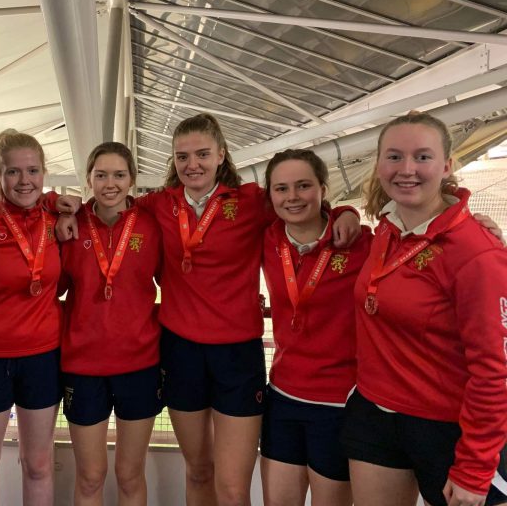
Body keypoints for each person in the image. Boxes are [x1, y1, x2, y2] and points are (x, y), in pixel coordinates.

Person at [57, 113, 361, 506]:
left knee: (233, 488)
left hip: (237, 355)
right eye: (182, 156)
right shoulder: (158, 204)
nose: (192, 164)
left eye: (202, 153)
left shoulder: (252, 201)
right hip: (180, 352)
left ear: (221, 155)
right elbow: (107, 201)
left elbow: (301, 205)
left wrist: (344, 213)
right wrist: (62, 208)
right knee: (198, 470)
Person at [341, 111, 507, 506]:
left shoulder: (476, 252)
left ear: (447, 165)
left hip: (448, 428)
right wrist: (342, 211)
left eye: (422, 157)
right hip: (376, 413)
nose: (407, 169)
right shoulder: (388, 229)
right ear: (378, 163)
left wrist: (475, 467)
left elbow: (495, 370)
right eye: (394, 157)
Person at [260, 149, 372, 506]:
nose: (292, 197)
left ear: (324, 188)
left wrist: (347, 212)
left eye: (303, 185)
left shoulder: (362, 244)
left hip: (339, 402)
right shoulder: (267, 238)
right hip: (283, 397)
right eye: (281, 188)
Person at [60, 142, 162, 506]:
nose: (110, 183)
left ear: (132, 179)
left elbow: (180, 285)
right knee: (90, 476)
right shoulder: (70, 226)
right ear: (88, 179)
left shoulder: (151, 227)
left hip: (140, 365)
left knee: (130, 474)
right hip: (83, 367)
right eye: (100, 175)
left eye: (119, 175)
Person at [0, 130, 62, 506]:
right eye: (13, 172)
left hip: (42, 356)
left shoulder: (55, 219)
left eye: (33, 171)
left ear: (43, 174)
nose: (24, 181)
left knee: (38, 463)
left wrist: (58, 203)